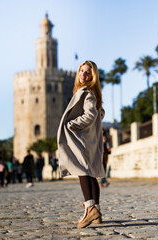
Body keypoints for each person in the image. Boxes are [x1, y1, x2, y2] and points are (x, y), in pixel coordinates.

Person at [57, 60, 105, 228]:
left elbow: (91, 115)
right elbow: (100, 113)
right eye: (81, 71)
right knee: (90, 173)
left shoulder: (88, 92)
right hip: (89, 139)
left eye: (87, 72)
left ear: (93, 76)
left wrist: (71, 125)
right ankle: (96, 212)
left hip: (82, 140)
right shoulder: (92, 92)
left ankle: (89, 207)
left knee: (82, 170)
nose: (83, 75)